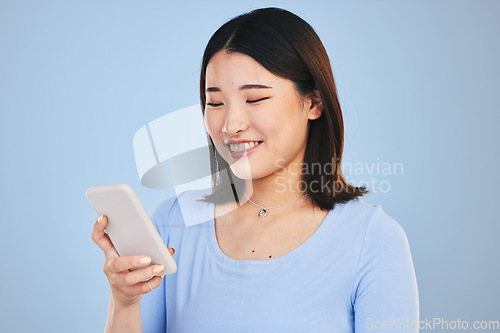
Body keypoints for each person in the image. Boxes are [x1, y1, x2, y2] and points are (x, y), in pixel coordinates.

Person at [92, 7, 419, 333]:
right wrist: (124, 301)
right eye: (216, 103)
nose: (231, 124)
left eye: (256, 99)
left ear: (314, 103)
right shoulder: (171, 223)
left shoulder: (372, 239)